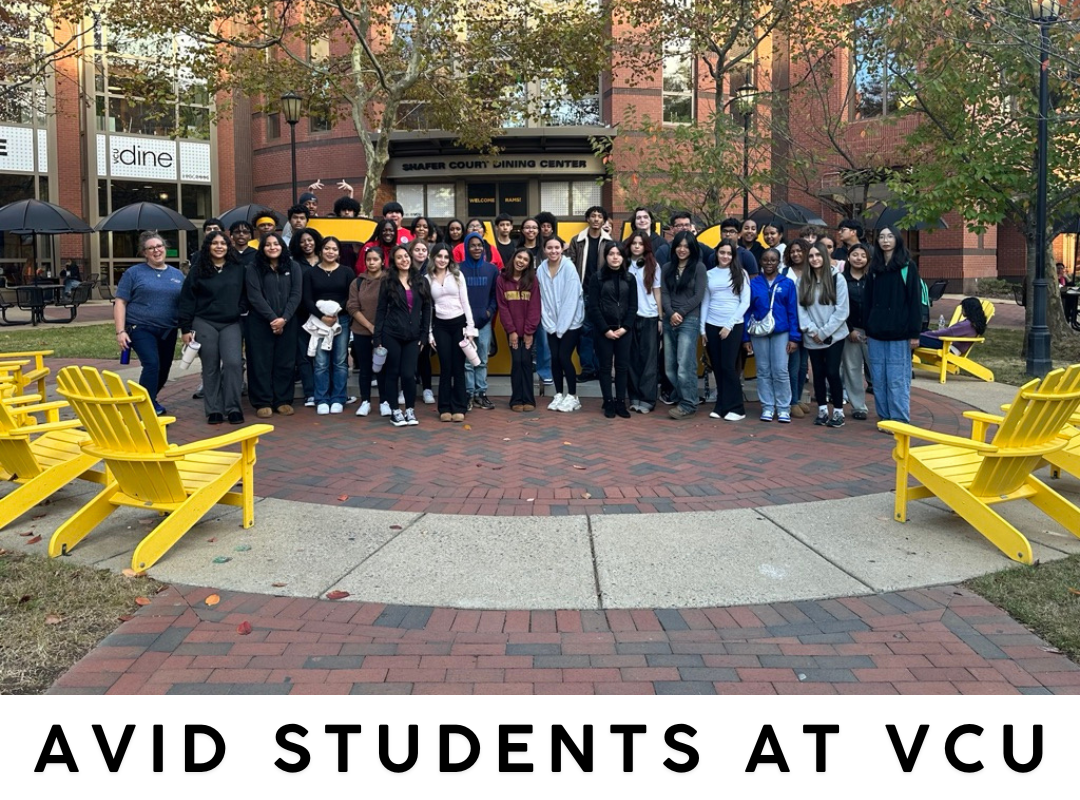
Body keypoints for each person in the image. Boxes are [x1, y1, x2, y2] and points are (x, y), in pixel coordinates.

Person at [178, 231, 247, 425]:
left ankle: (233, 407)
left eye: (223, 243)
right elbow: (186, 300)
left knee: (233, 363)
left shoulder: (238, 268)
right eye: (215, 243)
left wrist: (239, 308)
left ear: (228, 246)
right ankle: (214, 409)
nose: (219, 246)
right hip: (204, 321)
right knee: (211, 365)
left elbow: (245, 293)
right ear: (208, 246)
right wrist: (184, 329)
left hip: (231, 322)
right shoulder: (198, 270)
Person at [114, 231, 184, 415]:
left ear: (165, 249)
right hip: (140, 328)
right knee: (152, 364)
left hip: (168, 330)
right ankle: (147, 407)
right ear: (144, 253)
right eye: (151, 248)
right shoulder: (134, 273)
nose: (156, 250)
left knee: (164, 369)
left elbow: (185, 303)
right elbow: (121, 302)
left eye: (159, 246)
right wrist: (120, 331)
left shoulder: (177, 275)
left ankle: (149, 398)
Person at [865, 225, 923, 425]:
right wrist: (867, 325)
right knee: (879, 380)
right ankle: (885, 417)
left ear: (897, 239)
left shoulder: (908, 267)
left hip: (900, 333)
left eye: (890, 236)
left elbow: (915, 302)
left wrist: (915, 333)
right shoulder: (874, 269)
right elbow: (868, 300)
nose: (885, 240)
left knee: (897, 379)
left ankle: (899, 419)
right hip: (876, 333)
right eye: (881, 237)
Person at [245, 231, 302, 418]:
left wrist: (284, 318)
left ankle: (283, 400)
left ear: (282, 246)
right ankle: (262, 401)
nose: (272, 247)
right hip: (260, 323)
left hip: (288, 322)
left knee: (285, 362)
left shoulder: (293, 266)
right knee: (260, 362)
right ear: (262, 248)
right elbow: (254, 296)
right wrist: (272, 318)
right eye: (268, 244)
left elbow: (296, 294)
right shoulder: (253, 268)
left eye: (275, 244)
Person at [375, 245, 432, 427]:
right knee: (392, 373)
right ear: (394, 262)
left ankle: (409, 409)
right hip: (391, 333)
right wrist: (377, 338)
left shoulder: (421, 281)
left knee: (408, 374)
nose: (404, 260)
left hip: (413, 336)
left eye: (406, 256)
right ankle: (395, 411)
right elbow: (381, 310)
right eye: (399, 257)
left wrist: (424, 335)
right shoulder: (387, 282)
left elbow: (426, 308)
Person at [743, 248, 800, 423]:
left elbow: (793, 311)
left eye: (773, 260)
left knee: (781, 370)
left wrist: (794, 337)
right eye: (766, 260)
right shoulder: (754, 284)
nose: (769, 263)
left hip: (781, 332)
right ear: (761, 262)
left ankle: (784, 408)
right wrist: (745, 338)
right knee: (763, 370)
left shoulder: (787, 283)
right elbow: (747, 311)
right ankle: (767, 406)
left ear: (779, 262)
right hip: (759, 332)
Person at [798, 242, 850, 428]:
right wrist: (813, 332)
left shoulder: (838, 279)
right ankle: (821, 410)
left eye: (818, 255)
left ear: (825, 257)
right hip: (812, 336)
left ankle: (838, 411)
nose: (814, 259)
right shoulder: (803, 280)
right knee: (818, 373)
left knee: (832, 371)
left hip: (834, 335)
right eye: (811, 256)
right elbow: (801, 311)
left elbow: (842, 311)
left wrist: (825, 332)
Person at [700, 239, 750, 421]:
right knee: (718, 368)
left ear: (733, 256)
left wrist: (729, 325)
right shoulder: (709, 274)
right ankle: (721, 406)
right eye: (722, 252)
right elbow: (706, 301)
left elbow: (745, 302)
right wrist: (702, 329)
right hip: (712, 325)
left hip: (732, 326)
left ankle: (737, 408)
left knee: (729, 367)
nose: (725, 256)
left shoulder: (740, 274)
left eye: (729, 253)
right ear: (717, 253)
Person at [661, 230, 708, 419]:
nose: (682, 249)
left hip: (689, 319)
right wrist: (671, 313)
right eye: (679, 245)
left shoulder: (699, 268)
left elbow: (698, 295)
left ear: (692, 249)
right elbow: (664, 293)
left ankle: (688, 403)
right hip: (669, 319)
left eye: (686, 246)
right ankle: (684, 396)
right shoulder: (666, 268)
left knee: (685, 364)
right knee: (670, 366)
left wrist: (680, 313)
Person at [303, 236, 353, 414]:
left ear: (339, 253)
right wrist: (322, 316)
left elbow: (351, 297)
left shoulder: (347, 272)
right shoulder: (310, 273)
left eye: (334, 249)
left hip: (342, 320)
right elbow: (306, 299)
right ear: (321, 250)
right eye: (327, 248)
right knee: (321, 362)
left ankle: (339, 397)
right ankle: (321, 398)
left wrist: (336, 312)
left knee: (340, 361)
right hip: (318, 322)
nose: (330, 252)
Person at [588, 242, 637, 418]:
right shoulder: (597, 278)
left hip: (624, 330)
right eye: (611, 254)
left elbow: (633, 306)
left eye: (618, 254)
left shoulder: (630, 278)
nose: (615, 257)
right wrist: (605, 329)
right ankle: (608, 401)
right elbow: (593, 306)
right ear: (606, 256)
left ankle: (620, 402)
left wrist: (625, 328)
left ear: (623, 257)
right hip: (604, 331)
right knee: (605, 367)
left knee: (622, 367)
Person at [426, 243, 475, 421]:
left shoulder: (457, 275)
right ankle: (444, 407)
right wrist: (430, 332)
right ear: (433, 257)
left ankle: (460, 407)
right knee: (446, 366)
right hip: (440, 326)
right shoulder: (427, 278)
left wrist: (470, 328)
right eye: (439, 256)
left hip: (459, 323)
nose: (442, 260)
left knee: (458, 366)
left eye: (446, 257)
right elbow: (428, 308)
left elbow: (466, 302)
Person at [538, 236, 584, 412]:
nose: (553, 251)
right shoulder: (541, 269)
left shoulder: (569, 268)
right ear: (544, 249)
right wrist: (550, 324)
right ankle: (559, 394)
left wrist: (562, 327)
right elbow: (542, 298)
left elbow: (571, 299)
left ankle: (573, 396)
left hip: (571, 323)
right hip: (551, 323)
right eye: (549, 248)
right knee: (555, 359)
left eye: (557, 247)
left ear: (562, 249)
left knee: (564, 357)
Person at [567, 205, 613, 382]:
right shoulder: (576, 240)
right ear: (587, 219)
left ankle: (602, 369)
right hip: (582, 292)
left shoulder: (609, 242)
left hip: (603, 294)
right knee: (585, 332)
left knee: (603, 332)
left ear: (603, 220)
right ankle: (588, 368)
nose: (596, 219)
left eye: (599, 216)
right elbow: (569, 266)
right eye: (592, 216)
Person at [497, 248, 542, 413]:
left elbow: (535, 307)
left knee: (527, 362)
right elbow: (503, 307)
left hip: (529, 330)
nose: (521, 261)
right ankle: (516, 399)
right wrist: (512, 331)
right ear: (514, 257)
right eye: (519, 257)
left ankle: (529, 399)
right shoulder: (502, 280)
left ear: (529, 264)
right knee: (517, 362)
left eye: (525, 260)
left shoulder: (532, 280)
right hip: (512, 330)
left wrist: (529, 331)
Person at [459, 231, 500, 411]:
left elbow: (495, 295)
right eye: (473, 245)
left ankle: (481, 393)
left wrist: (490, 312)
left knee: (482, 360)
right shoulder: (458, 269)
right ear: (467, 247)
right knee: (468, 362)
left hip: (484, 323)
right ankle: (469, 394)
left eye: (480, 245)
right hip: (465, 324)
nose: (477, 248)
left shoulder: (492, 269)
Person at [347, 247, 388, 418]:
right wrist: (370, 327)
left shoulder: (389, 280)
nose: (371, 263)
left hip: (385, 331)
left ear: (382, 261)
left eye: (375, 259)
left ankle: (385, 401)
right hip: (361, 330)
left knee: (384, 368)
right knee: (365, 368)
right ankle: (365, 401)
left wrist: (378, 328)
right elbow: (352, 307)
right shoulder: (357, 282)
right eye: (368, 259)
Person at [626, 231, 662, 414]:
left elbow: (657, 293)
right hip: (629, 318)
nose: (637, 246)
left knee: (649, 360)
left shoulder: (653, 265)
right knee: (632, 359)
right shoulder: (623, 264)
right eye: (634, 243)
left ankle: (647, 399)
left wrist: (660, 318)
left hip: (649, 317)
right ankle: (634, 396)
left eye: (641, 243)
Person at [841, 243, 872, 421]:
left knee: (876, 368)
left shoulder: (872, 279)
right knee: (852, 368)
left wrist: (871, 328)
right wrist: (850, 329)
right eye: (855, 254)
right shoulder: (841, 279)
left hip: (872, 331)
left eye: (862, 255)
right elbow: (839, 306)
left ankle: (885, 404)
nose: (858, 258)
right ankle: (858, 406)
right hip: (849, 330)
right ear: (848, 257)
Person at [780, 237, 811, 417]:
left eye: (799, 251)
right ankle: (791, 401)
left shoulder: (812, 271)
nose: (796, 254)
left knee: (802, 366)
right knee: (793, 364)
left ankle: (798, 398)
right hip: (791, 325)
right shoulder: (784, 273)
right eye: (793, 251)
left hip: (808, 325)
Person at [407, 238, 436, 405]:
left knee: (424, 357)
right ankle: (406, 389)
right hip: (406, 321)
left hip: (427, 320)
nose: (420, 253)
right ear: (411, 252)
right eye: (417, 250)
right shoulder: (403, 271)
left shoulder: (432, 272)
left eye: (423, 250)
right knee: (408, 358)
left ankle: (427, 389)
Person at [918, 296, 988, 354]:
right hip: (950, 344)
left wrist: (926, 334)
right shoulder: (973, 323)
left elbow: (947, 332)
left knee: (914, 338)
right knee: (921, 332)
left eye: (963, 308)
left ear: (968, 309)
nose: (962, 310)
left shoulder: (966, 325)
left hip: (949, 348)